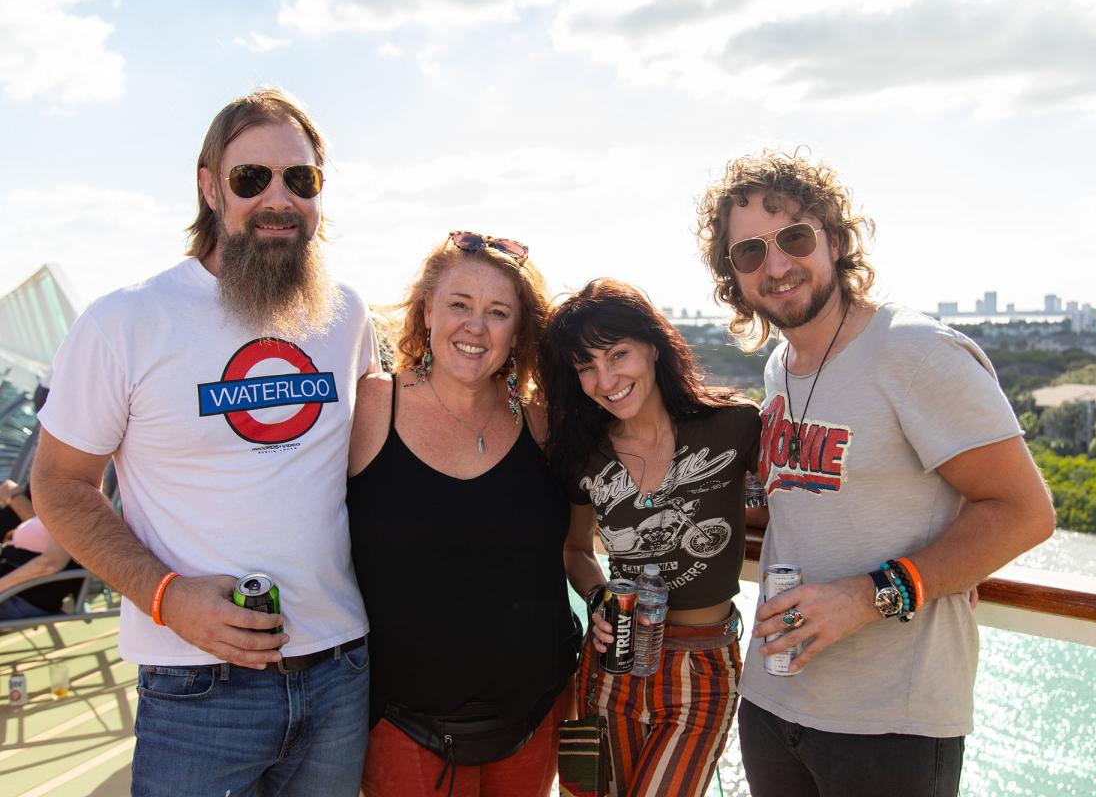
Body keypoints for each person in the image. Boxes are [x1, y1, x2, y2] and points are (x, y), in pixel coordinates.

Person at [31, 88, 377, 796]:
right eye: (251, 178)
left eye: (300, 178)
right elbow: (60, 485)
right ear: (210, 187)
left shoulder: (347, 315)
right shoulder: (124, 321)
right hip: (197, 686)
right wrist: (166, 597)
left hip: (340, 671)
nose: (278, 198)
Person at [695, 149, 1056, 795]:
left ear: (834, 240)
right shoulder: (780, 366)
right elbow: (818, 500)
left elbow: (1023, 512)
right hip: (776, 702)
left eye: (794, 238)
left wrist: (871, 595)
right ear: (734, 275)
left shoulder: (913, 351)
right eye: (749, 253)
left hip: (890, 724)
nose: (775, 266)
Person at [348, 232, 580, 797]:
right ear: (427, 311)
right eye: (459, 304)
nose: (475, 327)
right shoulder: (373, 404)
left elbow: (581, 541)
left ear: (519, 332)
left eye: (498, 312)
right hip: (402, 725)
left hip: (535, 717)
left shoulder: (541, 421)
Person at [540, 278, 764, 797]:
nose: (606, 379)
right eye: (586, 366)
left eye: (618, 354)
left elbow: (793, 504)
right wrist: (599, 599)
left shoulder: (734, 425)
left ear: (654, 346)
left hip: (702, 668)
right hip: (610, 662)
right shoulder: (582, 452)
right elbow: (575, 549)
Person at [0, 516, 79, 622]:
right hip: (13, 593)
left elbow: (50, 564)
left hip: (20, 597)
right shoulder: (58, 513)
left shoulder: (69, 517)